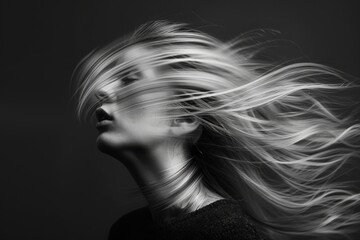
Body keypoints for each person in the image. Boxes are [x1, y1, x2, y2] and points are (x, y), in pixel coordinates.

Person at [72, 20, 360, 240]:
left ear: (183, 118)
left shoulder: (229, 234)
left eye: (129, 79)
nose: (101, 89)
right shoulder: (128, 231)